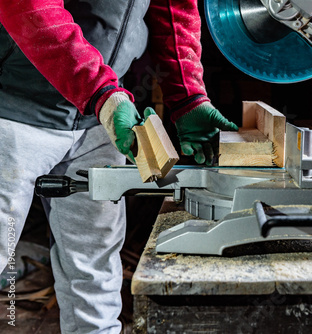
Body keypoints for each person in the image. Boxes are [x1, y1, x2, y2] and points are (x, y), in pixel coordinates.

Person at [0, 0, 237, 332]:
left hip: (102, 117)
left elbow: (172, 7)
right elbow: (27, 6)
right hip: (14, 107)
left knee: (94, 271)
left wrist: (187, 95)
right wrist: (101, 92)